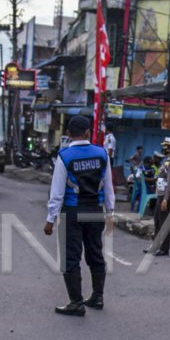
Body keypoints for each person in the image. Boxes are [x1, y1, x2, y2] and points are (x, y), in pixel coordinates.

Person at [43, 114, 115, 315]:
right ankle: (97, 297)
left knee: (70, 257)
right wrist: (110, 213)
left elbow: (56, 193)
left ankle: (76, 302)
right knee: (95, 254)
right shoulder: (102, 154)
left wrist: (50, 220)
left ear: (68, 134)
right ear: (87, 132)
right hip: (95, 211)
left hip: (72, 212)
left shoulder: (65, 157)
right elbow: (109, 188)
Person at [145, 139, 170, 256]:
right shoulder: (168, 161)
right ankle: (155, 246)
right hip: (162, 194)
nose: (164, 149)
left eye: (166, 147)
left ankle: (164, 248)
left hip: (168, 195)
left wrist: (165, 199)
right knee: (157, 220)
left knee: (163, 222)